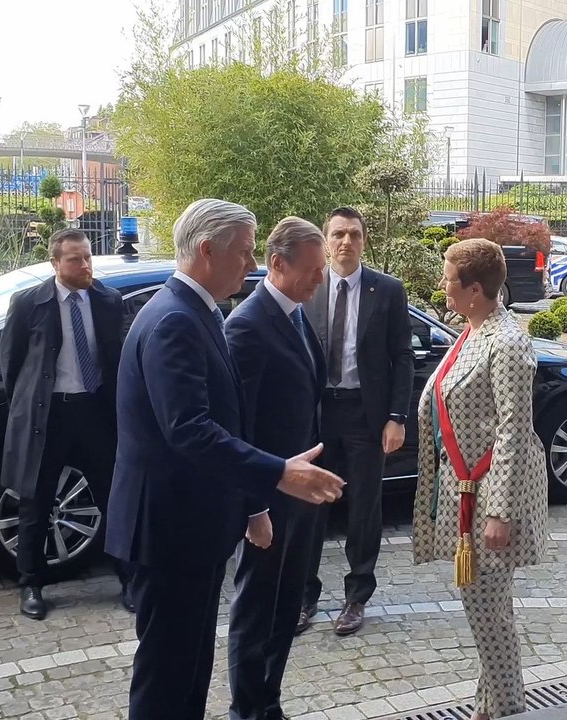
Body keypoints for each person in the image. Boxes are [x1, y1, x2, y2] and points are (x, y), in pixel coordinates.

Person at [105, 200, 343, 720]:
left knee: (189, 672)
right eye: (243, 251)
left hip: (192, 526)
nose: (251, 262)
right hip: (169, 529)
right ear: (207, 251)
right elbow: (188, 429)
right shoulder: (174, 320)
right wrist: (277, 473)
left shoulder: (197, 313)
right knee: (166, 680)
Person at [412, 238, 548, 720]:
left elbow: (514, 430)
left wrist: (499, 513)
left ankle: (507, 710)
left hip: (488, 501)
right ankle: (487, 708)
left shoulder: (507, 341)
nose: (442, 289)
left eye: (449, 281)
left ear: (474, 289)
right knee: (489, 615)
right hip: (465, 495)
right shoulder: (475, 329)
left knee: (490, 620)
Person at [225, 216, 330, 720]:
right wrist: (254, 506)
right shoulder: (247, 325)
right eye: (312, 269)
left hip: (302, 493)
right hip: (270, 493)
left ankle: (269, 701)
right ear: (277, 264)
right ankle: (247, 708)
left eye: (323, 268)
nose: (320, 278)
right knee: (257, 606)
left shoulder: (296, 315)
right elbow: (238, 425)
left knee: (288, 605)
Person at [0, 228, 133, 621]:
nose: (85, 265)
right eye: (75, 259)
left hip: (95, 412)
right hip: (49, 414)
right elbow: (13, 363)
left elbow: (117, 358)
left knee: (114, 496)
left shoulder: (108, 300)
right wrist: (27, 411)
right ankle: (32, 585)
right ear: (55, 263)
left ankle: (128, 579)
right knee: (36, 500)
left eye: (88, 256)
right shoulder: (29, 303)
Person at [301, 206, 415, 636]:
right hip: (318, 413)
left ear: (364, 241)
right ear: (326, 242)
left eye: (354, 235)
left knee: (365, 508)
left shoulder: (386, 290)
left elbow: (401, 357)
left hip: (366, 415)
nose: (345, 242)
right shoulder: (309, 287)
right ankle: (304, 595)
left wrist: (396, 418)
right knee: (310, 506)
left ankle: (355, 597)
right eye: (338, 235)